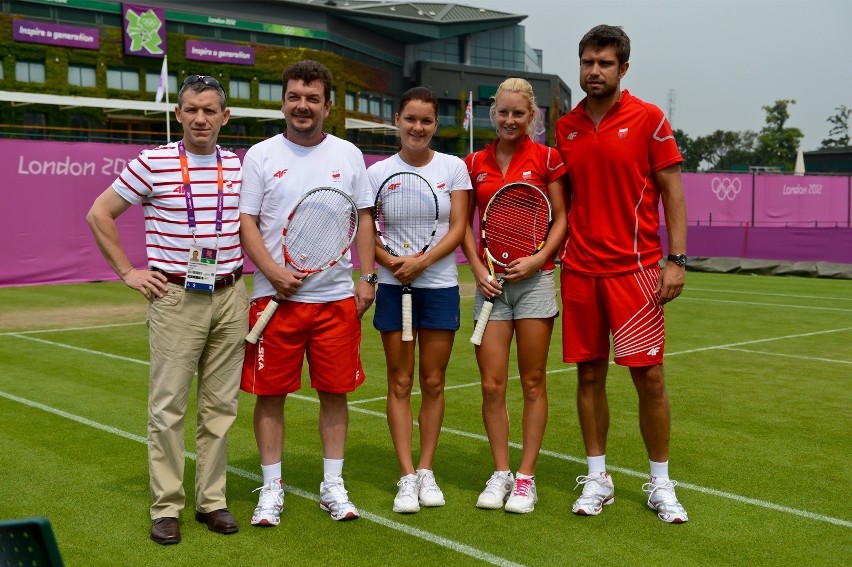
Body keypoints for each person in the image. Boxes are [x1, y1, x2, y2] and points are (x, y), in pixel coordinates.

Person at [86, 75, 246, 544]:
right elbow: (99, 213)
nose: (200, 118)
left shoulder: (238, 165)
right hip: (175, 297)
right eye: (192, 109)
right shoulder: (152, 162)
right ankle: (166, 506)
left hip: (231, 293)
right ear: (178, 114)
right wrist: (128, 272)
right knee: (169, 408)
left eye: (210, 110)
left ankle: (212, 501)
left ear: (224, 117)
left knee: (220, 408)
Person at [555, 25, 689, 524]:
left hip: (635, 273)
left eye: (604, 63)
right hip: (580, 272)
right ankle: (598, 478)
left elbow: (673, 192)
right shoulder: (565, 127)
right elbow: (560, 203)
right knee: (588, 375)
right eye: (588, 62)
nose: (594, 71)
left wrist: (676, 259)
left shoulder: (650, 119)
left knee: (649, 379)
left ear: (623, 68)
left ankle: (660, 483)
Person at [239, 60, 376, 526]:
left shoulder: (349, 154)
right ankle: (272, 488)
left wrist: (368, 276)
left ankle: (332, 486)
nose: (303, 105)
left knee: (335, 395)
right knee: (269, 396)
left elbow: (363, 219)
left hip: (336, 300)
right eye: (295, 96)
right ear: (283, 102)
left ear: (327, 106)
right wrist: (274, 271)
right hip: (272, 300)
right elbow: (247, 224)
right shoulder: (259, 155)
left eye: (312, 98)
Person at [461, 78, 567, 514]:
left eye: (518, 113)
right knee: (491, 384)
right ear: (493, 114)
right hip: (491, 287)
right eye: (502, 112)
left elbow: (561, 219)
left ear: (532, 117)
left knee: (533, 381)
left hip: (535, 282)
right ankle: (501, 472)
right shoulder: (473, 162)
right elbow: (464, 225)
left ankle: (525, 479)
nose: (509, 120)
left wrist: (538, 257)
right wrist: (478, 268)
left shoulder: (547, 158)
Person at [366, 87, 471, 514]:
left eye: (426, 121)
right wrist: (394, 263)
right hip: (394, 288)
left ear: (435, 126)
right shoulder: (376, 174)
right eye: (410, 119)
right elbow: (366, 233)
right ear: (397, 120)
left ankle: (427, 470)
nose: (418, 127)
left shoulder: (454, 168)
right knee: (400, 381)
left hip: (440, 287)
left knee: (432, 382)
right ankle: (406, 476)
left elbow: (460, 226)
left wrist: (422, 262)